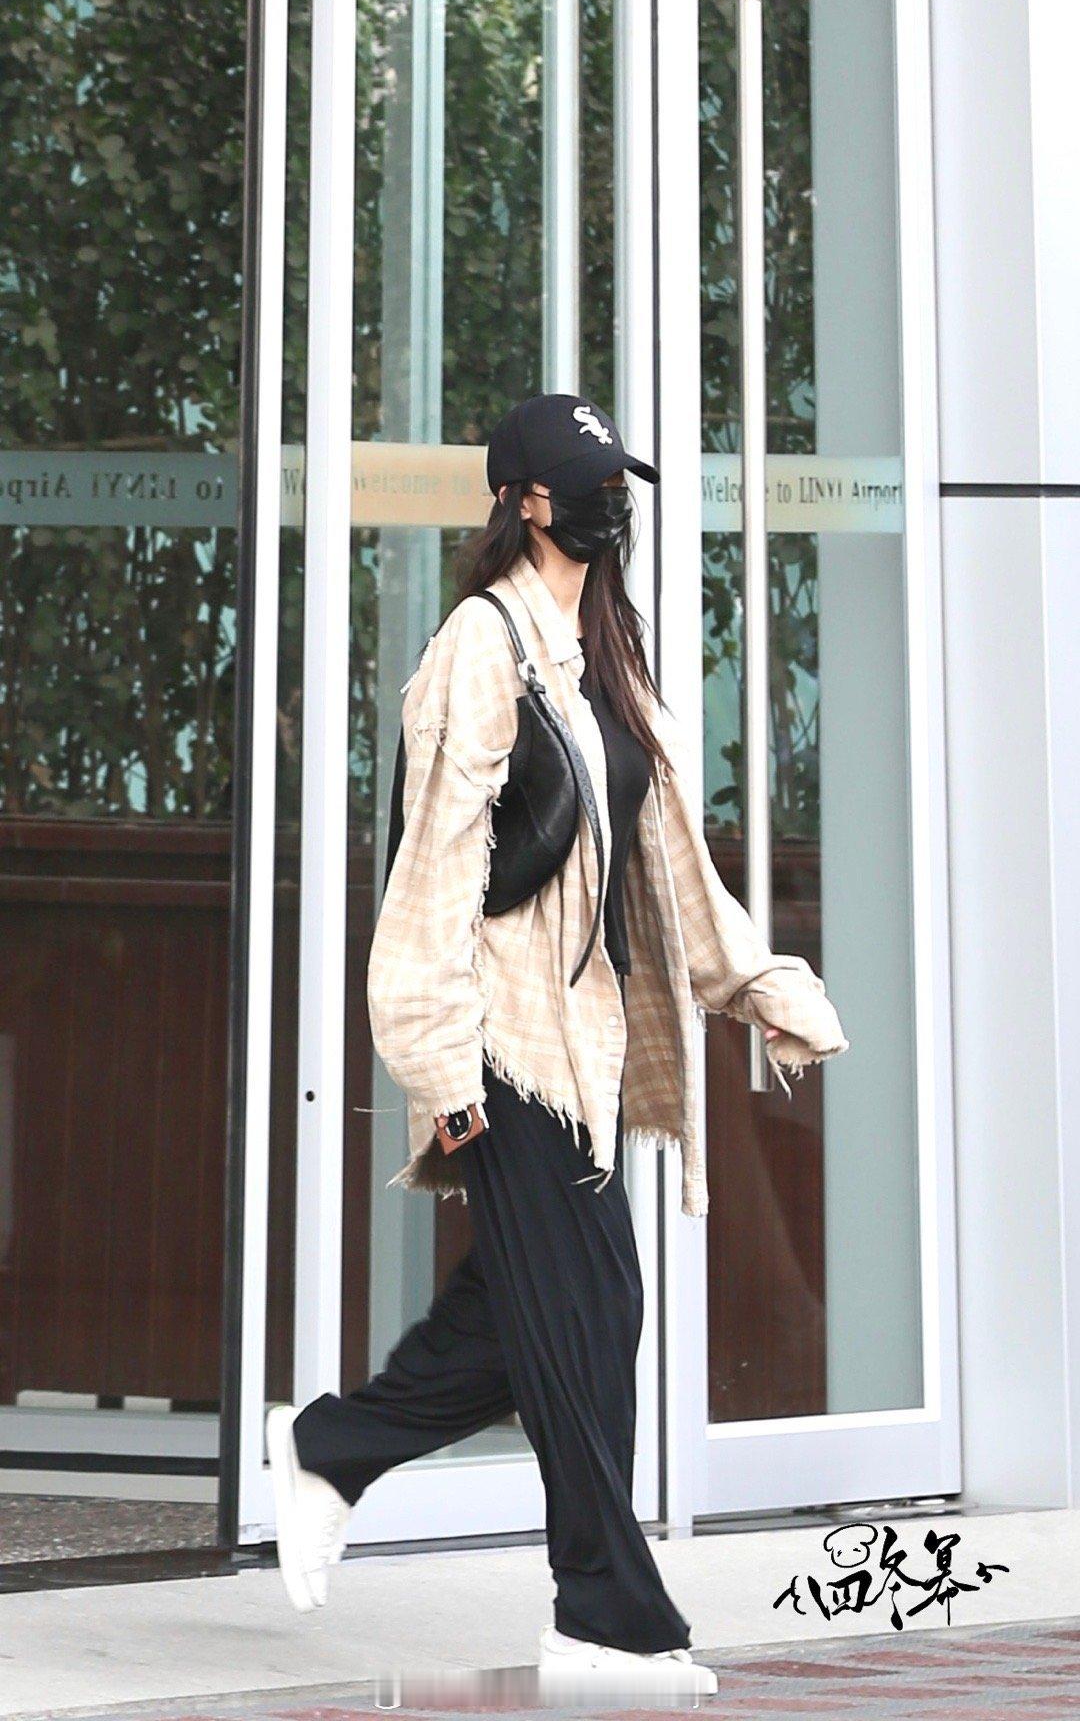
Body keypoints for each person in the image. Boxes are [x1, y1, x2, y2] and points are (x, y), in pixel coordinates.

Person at [265, 393, 849, 1700]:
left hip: (582, 1043)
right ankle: (606, 1617)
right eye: (586, 484)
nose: (609, 504)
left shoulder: (603, 652)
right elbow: (433, 869)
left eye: (615, 483)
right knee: (583, 1315)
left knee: (551, 1308)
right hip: (501, 1043)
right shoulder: (480, 646)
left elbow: (670, 859)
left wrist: (755, 985)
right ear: (526, 502)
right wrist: (440, 1064)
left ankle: (332, 1449)